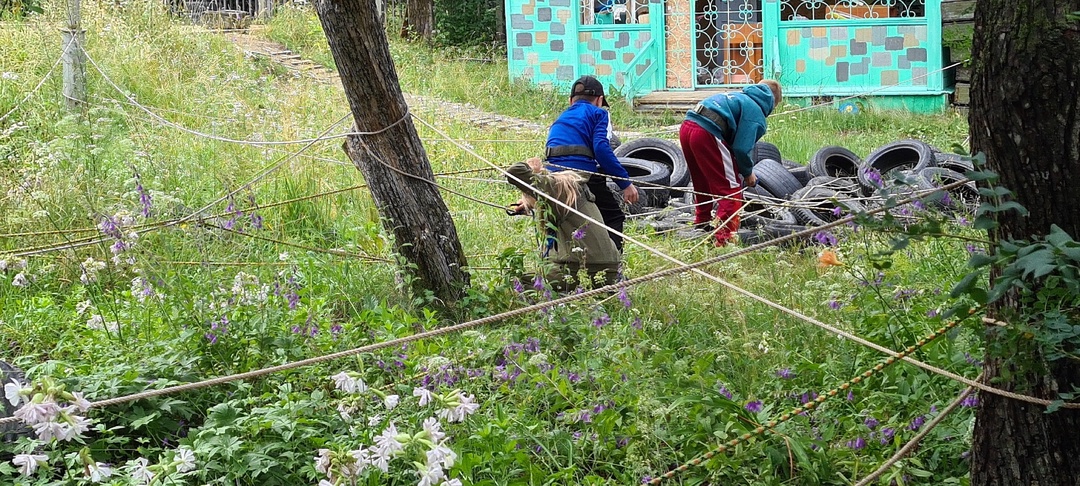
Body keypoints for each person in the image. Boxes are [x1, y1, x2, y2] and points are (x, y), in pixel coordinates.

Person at [678, 80, 782, 246]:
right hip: (707, 132)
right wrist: (748, 173)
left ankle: (701, 222)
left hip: (687, 126)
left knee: (702, 181)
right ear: (773, 102)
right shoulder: (756, 113)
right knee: (731, 190)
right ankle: (724, 241)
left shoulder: (739, 96)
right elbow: (741, 148)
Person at [544, 75, 639, 254]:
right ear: (599, 100)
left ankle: (551, 260)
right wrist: (625, 183)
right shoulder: (599, 113)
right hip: (580, 175)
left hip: (552, 176)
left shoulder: (561, 117)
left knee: (555, 219)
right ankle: (613, 265)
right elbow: (601, 149)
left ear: (571, 100)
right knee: (613, 215)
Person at [506, 157, 621, 290]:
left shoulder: (554, 189)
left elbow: (514, 171)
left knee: (519, 282)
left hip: (582, 268)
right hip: (611, 270)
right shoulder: (572, 191)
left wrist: (533, 169)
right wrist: (530, 204)